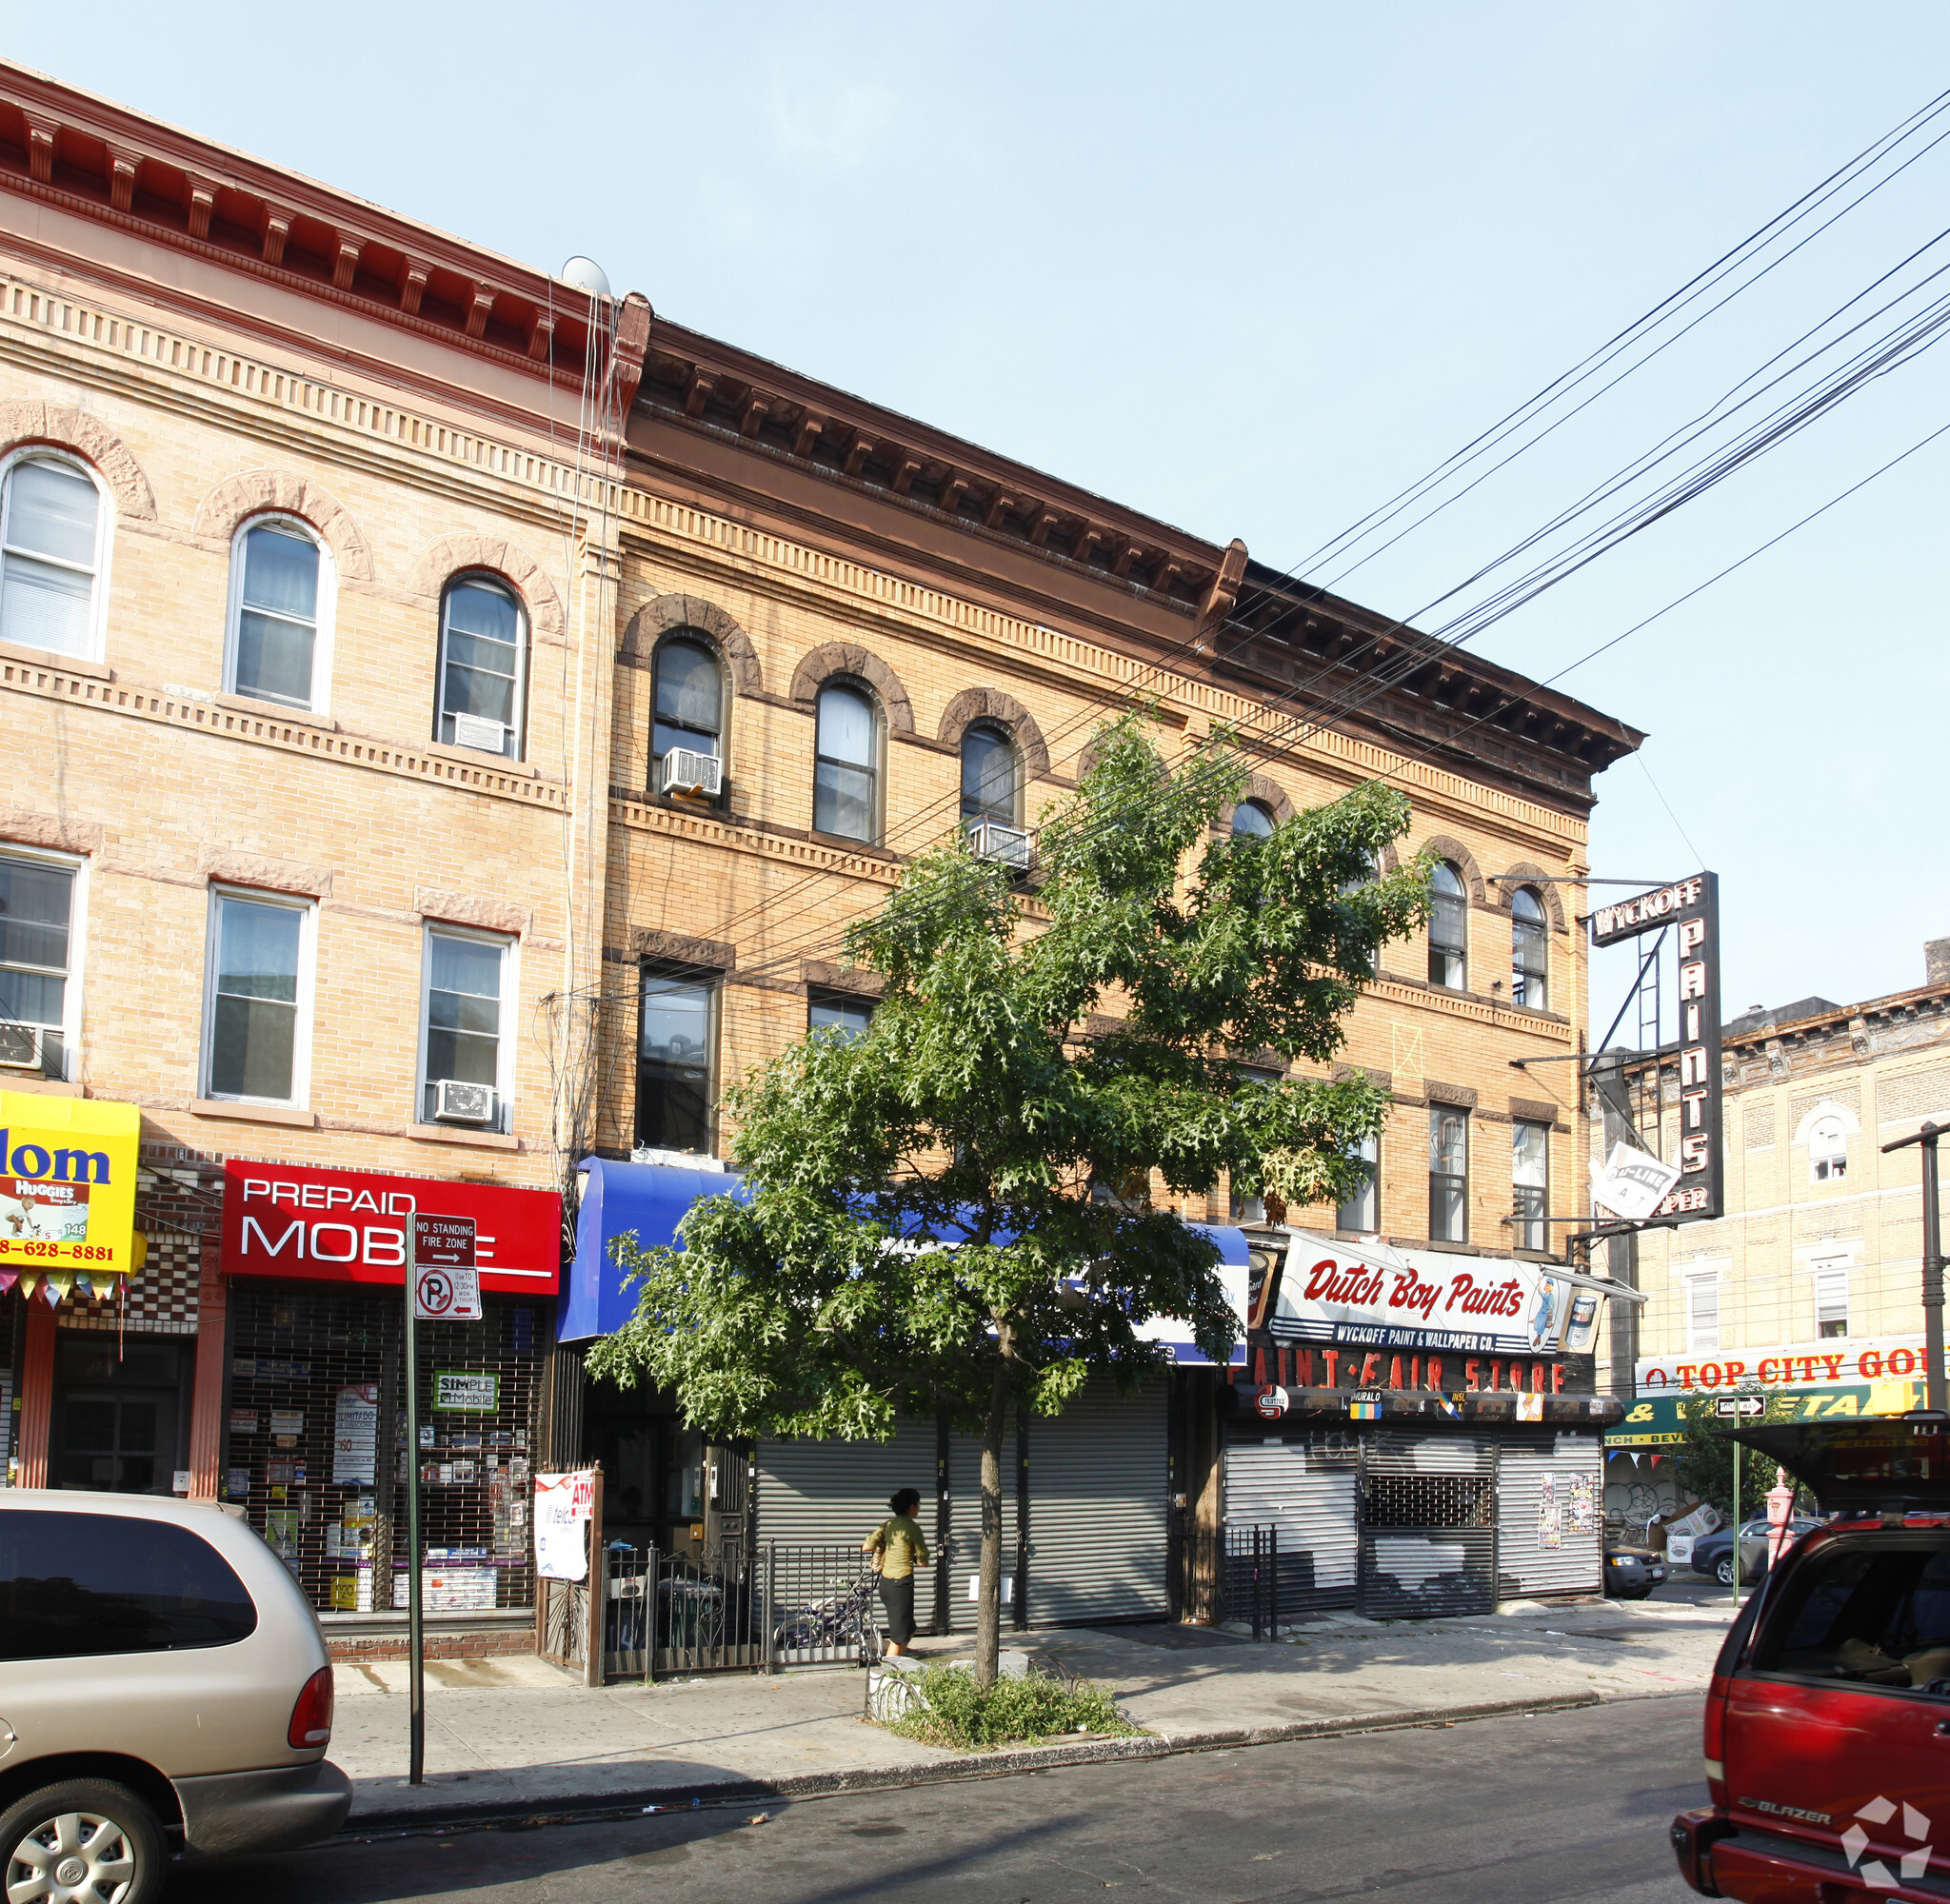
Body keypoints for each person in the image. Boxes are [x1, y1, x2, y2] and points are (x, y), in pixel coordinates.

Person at [864, 1488, 929, 1656]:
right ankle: (889, 1674)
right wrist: (912, 1557)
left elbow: (867, 1546)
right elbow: (923, 1562)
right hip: (900, 1584)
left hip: (885, 1583)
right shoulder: (913, 1528)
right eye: (918, 1504)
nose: (919, 1508)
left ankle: (899, 1666)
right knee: (898, 1637)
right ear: (912, 1506)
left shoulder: (888, 1525)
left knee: (908, 1629)